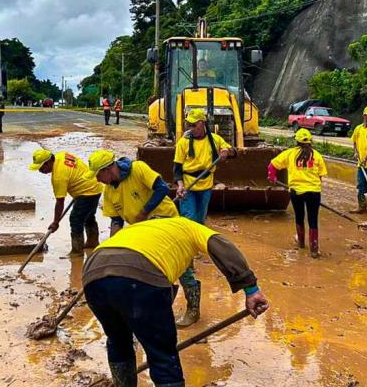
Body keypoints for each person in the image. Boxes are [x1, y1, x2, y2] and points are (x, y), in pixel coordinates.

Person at [82, 216, 269, 386]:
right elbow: (220, 243)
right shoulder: (187, 226)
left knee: (118, 340)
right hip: (139, 272)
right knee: (162, 354)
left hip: (93, 273)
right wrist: (251, 289)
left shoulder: (139, 230)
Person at [172, 108, 234, 327]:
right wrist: (180, 185)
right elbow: (177, 168)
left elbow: (231, 151)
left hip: (205, 186)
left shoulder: (214, 139)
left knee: (199, 223)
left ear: (203, 124)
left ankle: (192, 253)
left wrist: (226, 151)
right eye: (188, 124)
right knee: (188, 222)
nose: (190, 128)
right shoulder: (183, 142)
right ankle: (187, 260)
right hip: (189, 186)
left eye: (194, 124)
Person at [82, 149, 178, 237]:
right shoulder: (108, 192)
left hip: (166, 220)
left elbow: (162, 188)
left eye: (98, 176)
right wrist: (113, 242)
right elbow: (116, 220)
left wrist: (144, 212)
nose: (98, 180)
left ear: (107, 170)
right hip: (143, 228)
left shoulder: (137, 168)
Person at [29, 149, 104, 255]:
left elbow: (60, 201)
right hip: (95, 185)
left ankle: (77, 251)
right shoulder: (61, 155)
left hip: (87, 191)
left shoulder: (58, 177)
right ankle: (92, 242)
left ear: (48, 162)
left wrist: (55, 222)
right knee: (88, 216)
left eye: (41, 168)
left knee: (75, 219)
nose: (40, 171)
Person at [268, 128, 328, 258]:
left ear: (296, 141)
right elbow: (321, 176)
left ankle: (301, 243)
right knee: (313, 219)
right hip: (314, 192)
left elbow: (272, 165)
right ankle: (314, 249)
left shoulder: (290, 153)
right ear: (310, 141)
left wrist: (272, 177)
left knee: (299, 216)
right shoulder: (317, 155)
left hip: (296, 191)